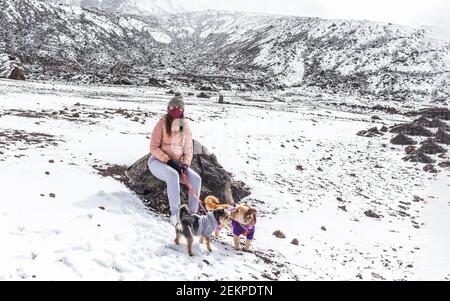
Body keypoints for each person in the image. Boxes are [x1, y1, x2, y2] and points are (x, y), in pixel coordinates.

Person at [147, 95, 202, 225]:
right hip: (158, 162)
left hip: (177, 164)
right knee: (172, 176)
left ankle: (192, 213)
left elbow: (188, 151)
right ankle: (175, 214)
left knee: (196, 179)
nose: (176, 109)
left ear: (183, 110)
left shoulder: (185, 126)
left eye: (179, 107)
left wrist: (185, 165)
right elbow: (153, 147)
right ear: (168, 108)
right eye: (173, 107)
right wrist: (168, 160)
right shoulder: (161, 123)